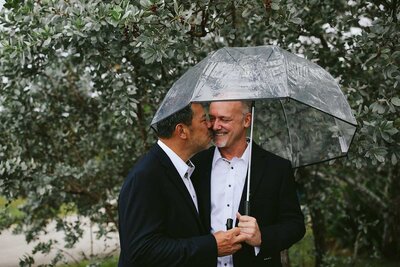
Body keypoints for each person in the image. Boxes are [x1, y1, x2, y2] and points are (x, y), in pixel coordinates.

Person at [118, 103, 246, 267]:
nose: (211, 125)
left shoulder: (184, 170)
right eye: (203, 120)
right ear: (182, 131)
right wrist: (212, 245)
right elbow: (141, 251)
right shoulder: (146, 176)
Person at [192, 101, 306, 267]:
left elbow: (295, 225)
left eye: (224, 119)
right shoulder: (196, 165)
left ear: (246, 120)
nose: (216, 126)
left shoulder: (276, 168)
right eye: (212, 118)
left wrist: (261, 237)